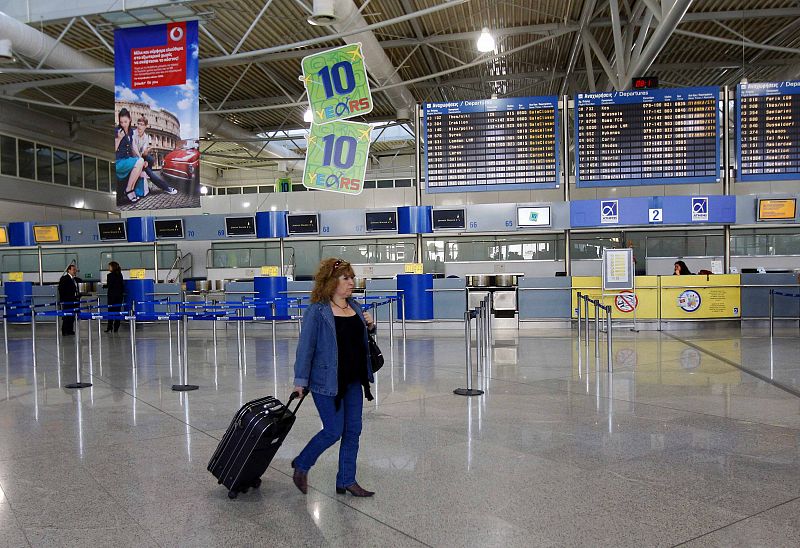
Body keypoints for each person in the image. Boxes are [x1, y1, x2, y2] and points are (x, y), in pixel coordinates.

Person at [291, 258, 376, 498]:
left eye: (351, 277)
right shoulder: (318, 311)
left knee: (353, 431)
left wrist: (370, 327)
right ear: (331, 282)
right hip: (325, 382)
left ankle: (346, 480)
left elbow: (359, 342)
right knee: (333, 430)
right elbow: (305, 347)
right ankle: (302, 463)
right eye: (345, 278)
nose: (351, 282)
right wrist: (300, 381)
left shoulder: (356, 307)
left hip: (353, 381)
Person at [131, 115, 178, 195]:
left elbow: (143, 151)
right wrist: (141, 160)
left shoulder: (146, 137)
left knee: (150, 159)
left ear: (146, 126)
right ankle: (166, 187)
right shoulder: (133, 133)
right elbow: (133, 149)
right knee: (149, 171)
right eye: (138, 124)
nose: (139, 126)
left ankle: (148, 178)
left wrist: (145, 154)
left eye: (142, 124)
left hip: (139, 156)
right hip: (132, 157)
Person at [115, 108, 147, 204]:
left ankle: (131, 189)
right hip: (118, 162)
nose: (123, 124)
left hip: (127, 160)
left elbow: (133, 147)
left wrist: (139, 158)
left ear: (130, 120)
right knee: (140, 161)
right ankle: (128, 190)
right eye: (121, 122)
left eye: (125, 121)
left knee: (140, 161)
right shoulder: (117, 131)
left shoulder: (131, 132)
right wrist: (119, 139)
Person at [58, 264, 80, 335]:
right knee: (67, 316)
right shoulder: (64, 278)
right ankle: (65, 330)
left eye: (75, 270)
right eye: (73, 270)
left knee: (72, 316)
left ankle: (70, 330)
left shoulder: (75, 279)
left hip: (74, 300)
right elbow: (61, 290)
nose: (75, 271)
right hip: (67, 300)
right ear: (69, 270)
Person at [105, 261, 124, 333]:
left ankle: (109, 327)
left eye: (109, 266)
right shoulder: (120, 275)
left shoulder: (109, 275)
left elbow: (109, 285)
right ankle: (116, 327)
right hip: (119, 296)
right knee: (117, 311)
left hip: (111, 296)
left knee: (110, 311)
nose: (108, 268)